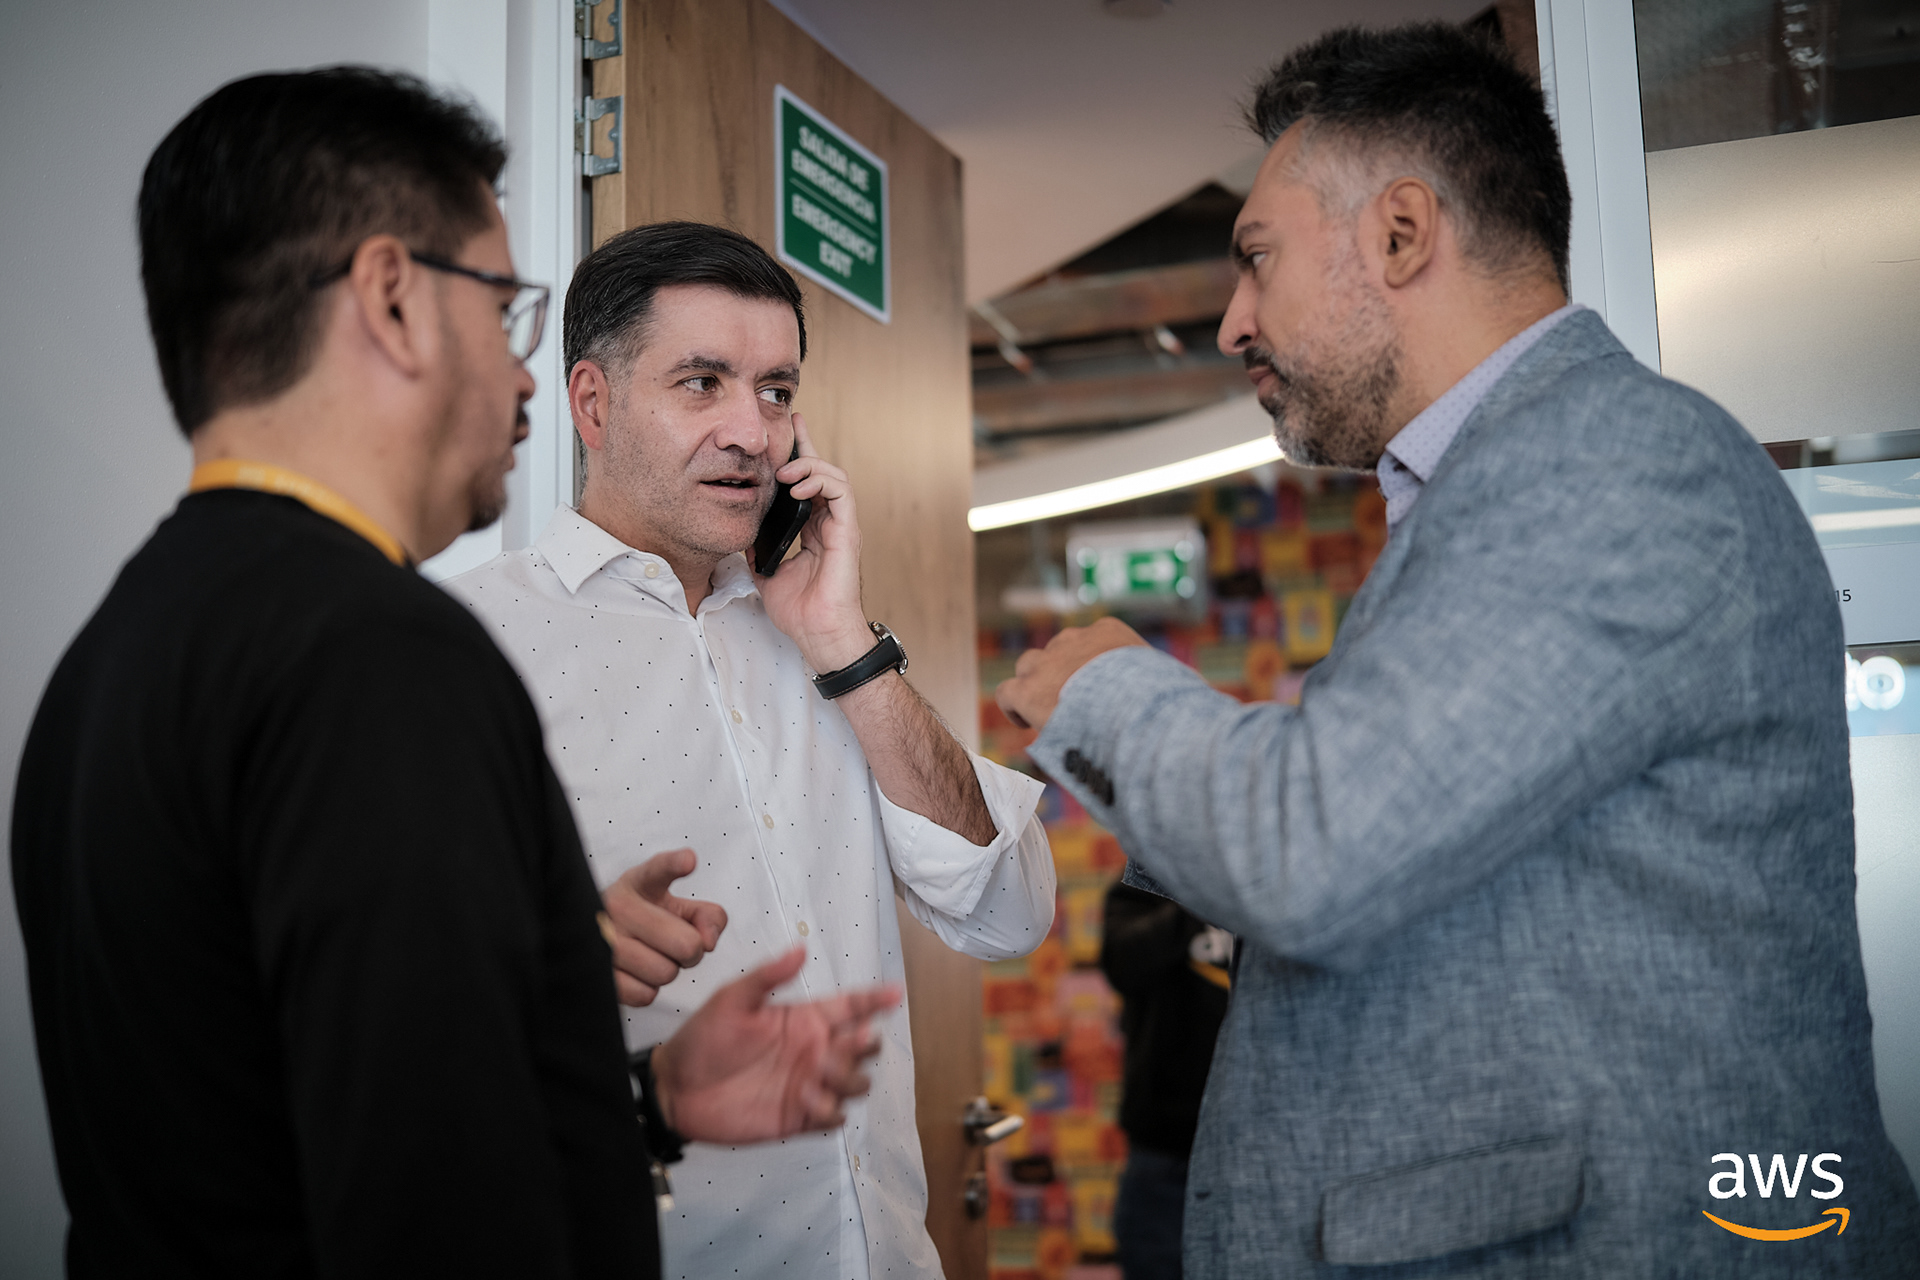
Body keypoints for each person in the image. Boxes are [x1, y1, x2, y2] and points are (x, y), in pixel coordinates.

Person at [996, 23, 1920, 1278]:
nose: (1231, 322)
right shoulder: (1513, 482)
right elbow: (1414, 844)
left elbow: (1322, 847)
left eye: (1257, 259)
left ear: (1401, 233)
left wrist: (1105, 690)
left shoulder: (1607, 460)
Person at [11, 68, 898, 1280]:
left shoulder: (109, 658)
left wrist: (642, 1101)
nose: (528, 376)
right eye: (503, 310)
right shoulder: (383, 656)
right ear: (392, 297)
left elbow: (305, 1122)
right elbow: (439, 1214)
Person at [445, 221, 1057, 1280]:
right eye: (703, 383)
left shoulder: (824, 633)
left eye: (776, 391)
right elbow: (397, 1018)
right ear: (593, 403)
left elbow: (1010, 912)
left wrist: (841, 641)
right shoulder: (466, 647)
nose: (753, 433)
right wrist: (563, 961)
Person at [1098, 883, 1230, 1280]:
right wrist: (1202, 890)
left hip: (1262, 1149)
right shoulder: (1147, 878)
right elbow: (1121, 962)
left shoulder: (1281, 883)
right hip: (1164, 1155)